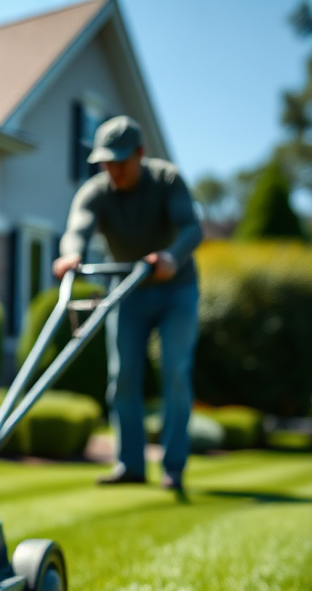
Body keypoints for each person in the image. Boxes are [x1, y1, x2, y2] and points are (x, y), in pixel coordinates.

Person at [53, 115, 203, 491]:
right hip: (126, 290)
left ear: (140, 153)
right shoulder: (96, 192)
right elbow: (77, 229)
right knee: (123, 379)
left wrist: (171, 257)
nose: (114, 170)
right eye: (107, 162)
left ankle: (173, 468)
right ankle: (130, 465)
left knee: (174, 373)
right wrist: (71, 255)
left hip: (176, 288)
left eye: (121, 161)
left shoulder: (167, 179)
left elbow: (192, 228)